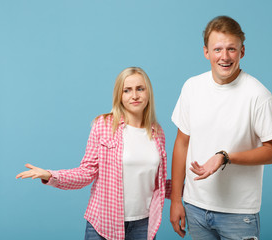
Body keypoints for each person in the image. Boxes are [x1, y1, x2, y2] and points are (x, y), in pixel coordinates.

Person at [16, 67, 170, 240]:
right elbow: (86, 172)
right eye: (127, 90)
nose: (134, 95)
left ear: (148, 92)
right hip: (104, 223)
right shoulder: (104, 125)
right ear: (119, 95)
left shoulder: (157, 133)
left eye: (140, 89)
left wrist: (189, 191)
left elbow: (157, 182)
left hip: (144, 225)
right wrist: (50, 175)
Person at [170, 16, 272, 240]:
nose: (224, 56)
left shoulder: (258, 95)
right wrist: (176, 199)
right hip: (195, 207)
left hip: (238, 213)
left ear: (242, 52)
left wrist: (225, 157)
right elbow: (182, 143)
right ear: (206, 52)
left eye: (231, 49)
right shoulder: (192, 87)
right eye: (218, 49)